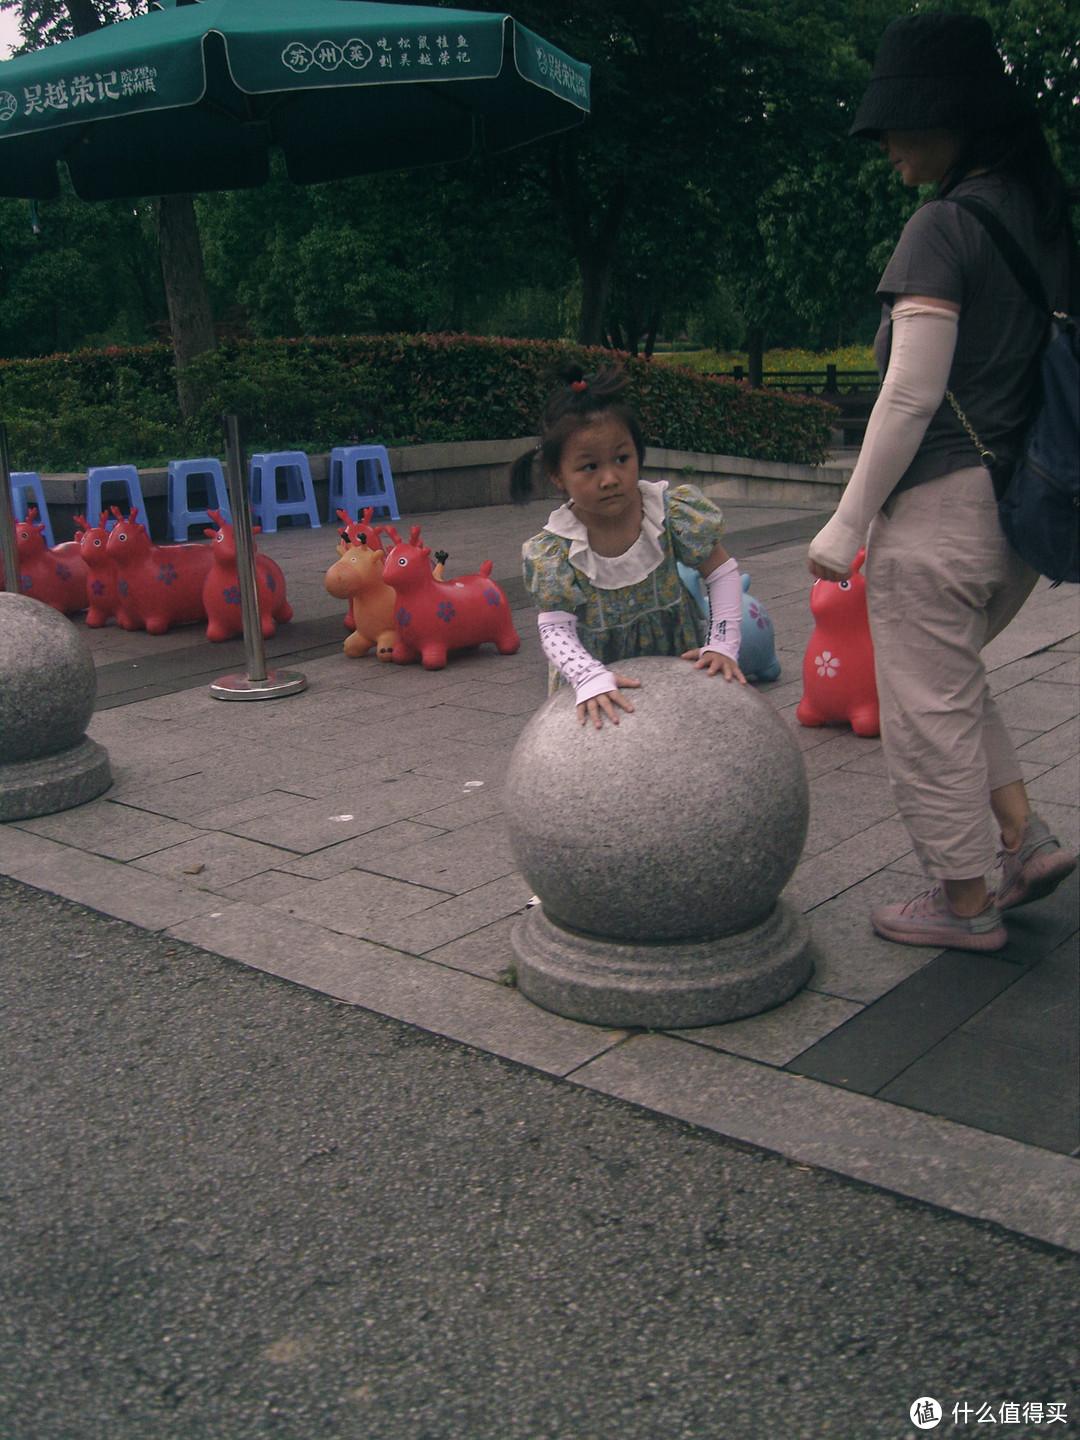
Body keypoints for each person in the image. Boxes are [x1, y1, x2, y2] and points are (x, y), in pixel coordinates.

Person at [808, 12, 1077, 952]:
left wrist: (845, 524)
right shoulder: (1045, 220)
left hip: (941, 516)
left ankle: (962, 902)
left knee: (923, 713)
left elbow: (911, 392)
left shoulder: (942, 226)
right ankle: (1023, 839)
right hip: (1022, 519)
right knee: (952, 681)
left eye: (896, 121)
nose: (883, 141)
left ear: (951, 119)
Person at [511, 365, 746, 728]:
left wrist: (722, 643)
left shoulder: (668, 513)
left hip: (676, 668)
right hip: (600, 685)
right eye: (589, 467)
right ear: (558, 475)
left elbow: (722, 572)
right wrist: (587, 675)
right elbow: (555, 628)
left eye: (622, 459)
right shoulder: (556, 551)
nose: (610, 479)